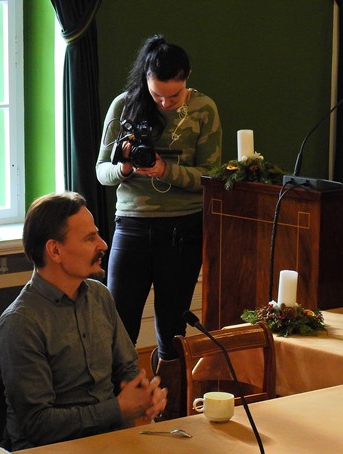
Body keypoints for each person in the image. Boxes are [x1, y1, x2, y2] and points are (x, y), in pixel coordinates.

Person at [96, 35, 222, 419]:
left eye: (174, 95)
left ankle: (171, 412)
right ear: (145, 80)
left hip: (183, 229)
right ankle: (117, 414)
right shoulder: (124, 106)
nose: (165, 103)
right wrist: (124, 168)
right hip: (131, 227)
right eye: (157, 95)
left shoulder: (203, 109)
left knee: (172, 327)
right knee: (119, 325)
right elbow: (101, 172)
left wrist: (167, 170)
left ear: (188, 77)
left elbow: (211, 176)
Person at [0, 192, 167, 451]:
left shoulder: (99, 296)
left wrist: (145, 394)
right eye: (89, 238)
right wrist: (117, 409)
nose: (103, 244)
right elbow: (38, 424)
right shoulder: (21, 322)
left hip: (111, 442)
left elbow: (128, 369)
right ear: (55, 250)